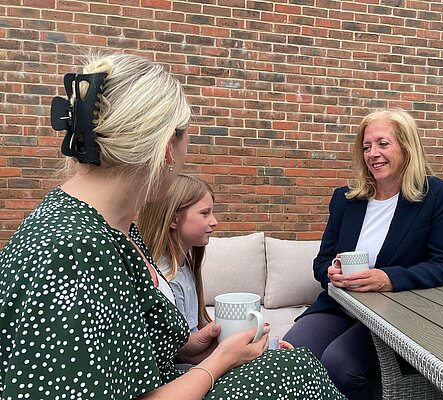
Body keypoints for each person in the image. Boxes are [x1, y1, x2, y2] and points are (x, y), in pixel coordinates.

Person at [0, 53, 346, 400]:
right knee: (295, 370)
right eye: (185, 140)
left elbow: (121, 356)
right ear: (167, 147)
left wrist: (190, 349)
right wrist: (217, 364)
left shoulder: (114, 229)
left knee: (292, 363)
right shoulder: (68, 251)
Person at [283, 108, 443, 400]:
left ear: (406, 146)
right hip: (341, 305)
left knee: (340, 363)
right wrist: (331, 271)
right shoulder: (345, 199)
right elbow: (321, 262)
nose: (373, 153)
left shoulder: (434, 195)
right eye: (366, 147)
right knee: (290, 354)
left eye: (382, 144)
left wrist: (387, 279)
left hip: (393, 313)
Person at [137, 174, 216, 333]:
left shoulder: (184, 268)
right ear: (174, 220)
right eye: (205, 213)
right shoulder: (167, 279)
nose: (214, 221)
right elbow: (180, 350)